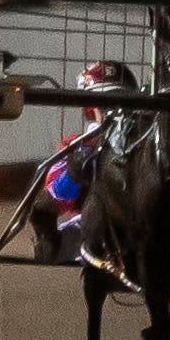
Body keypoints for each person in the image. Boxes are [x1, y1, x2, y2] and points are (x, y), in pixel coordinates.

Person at [37, 60, 139, 262]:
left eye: (120, 100)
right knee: (61, 243)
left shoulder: (146, 143)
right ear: (90, 108)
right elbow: (54, 198)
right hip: (92, 225)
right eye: (105, 102)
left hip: (140, 223)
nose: (114, 109)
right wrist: (73, 174)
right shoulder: (77, 146)